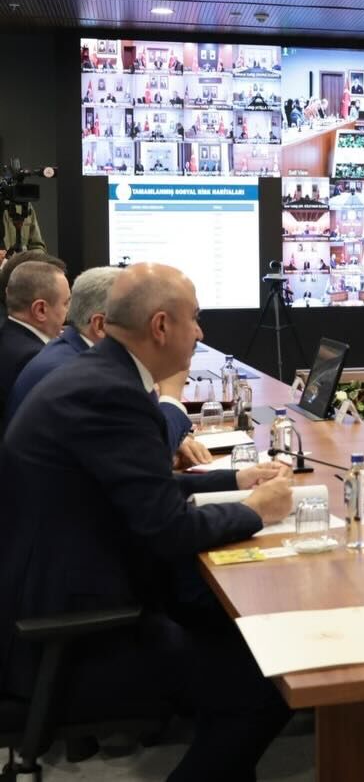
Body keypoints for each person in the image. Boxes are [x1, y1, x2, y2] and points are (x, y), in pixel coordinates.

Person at [0, 263, 295, 781]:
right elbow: (168, 530)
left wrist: (235, 480)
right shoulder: (110, 392)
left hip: (67, 599)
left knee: (233, 631)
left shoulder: (97, 374)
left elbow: (141, 490)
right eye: (195, 318)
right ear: (161, 326)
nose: (200, 332)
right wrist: (256, 511)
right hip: (74, 638)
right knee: (263, 686)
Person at [5, 266, 211, 468]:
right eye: (137, 322)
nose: (153, 335)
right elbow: (147, 458)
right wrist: (171, 394)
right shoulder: (81, 376)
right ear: (101, 325)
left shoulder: (71, 354)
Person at [0, 260, 70, 427]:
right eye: (66, 303)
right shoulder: (37, 359)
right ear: (40, 310)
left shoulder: (7, 336)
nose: (69, 311)